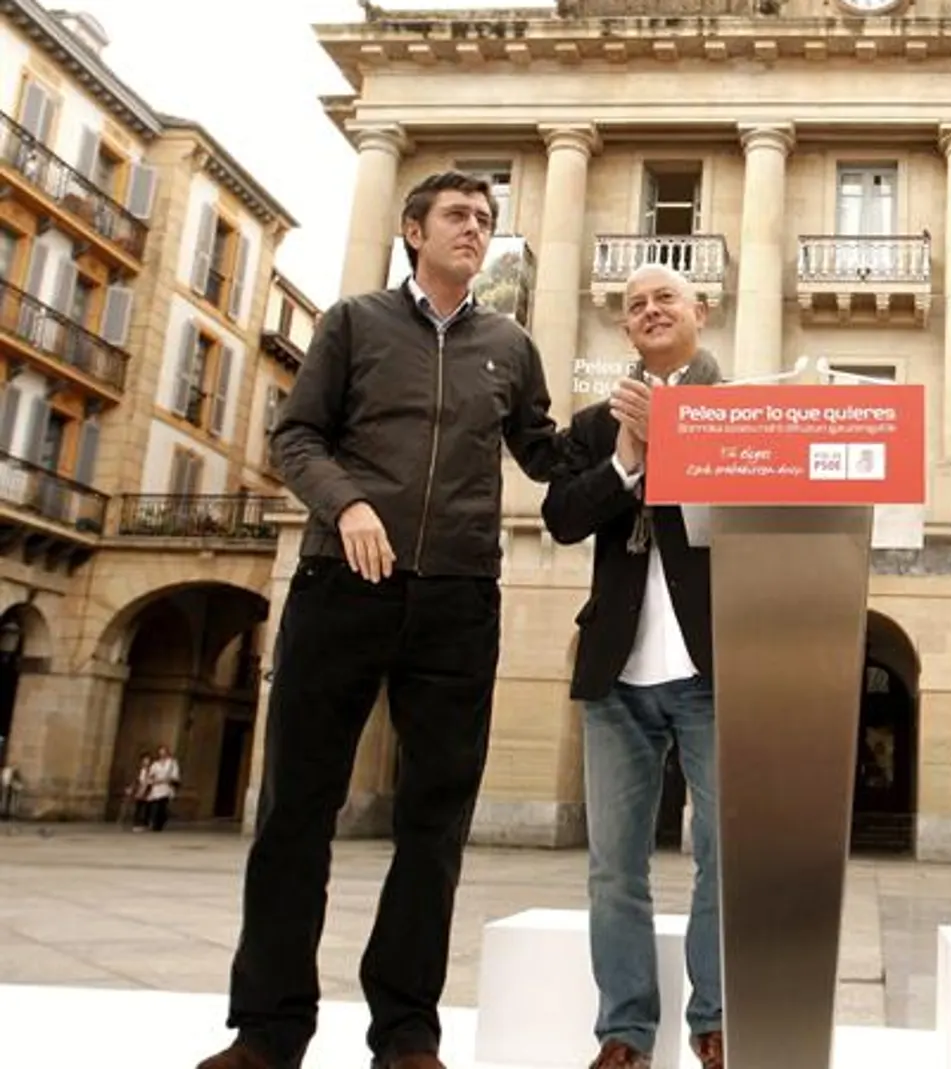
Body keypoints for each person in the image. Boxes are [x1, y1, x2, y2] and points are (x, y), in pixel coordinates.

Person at [197, 171, 580, 1069]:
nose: (474, 228)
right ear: (413, 230)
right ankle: (268, 1033)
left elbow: (544, 452)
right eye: (457, 215)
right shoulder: (353, 323)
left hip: (458, 598)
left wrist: (633, 421)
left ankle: (407, 1033)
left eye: (485, 219)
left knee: (434, 822)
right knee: (296, 809)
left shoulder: (510, 344)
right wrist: (348, 504)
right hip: (341, 583)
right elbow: (295, 437)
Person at [542, 263, 724, 1069]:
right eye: (636, 303)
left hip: (713, 671)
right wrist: (623, 461)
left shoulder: (737, 411)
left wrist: (675, 441)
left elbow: (752, 514)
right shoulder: (594, 424)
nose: (651, 310)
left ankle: (715, 1020)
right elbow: (561, 516)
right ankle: (624, 1031)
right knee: (614, 866)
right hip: (616, 675)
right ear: (625, 327)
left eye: (666, 298)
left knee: (724, 856)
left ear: (700, 312)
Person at [144, 745, 180, 832]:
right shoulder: (155, 764)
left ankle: (160, 823)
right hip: (156, 787)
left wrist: (167, 779)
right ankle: (153, 823)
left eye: (164, 752)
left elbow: (175, 776)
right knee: (154, 806)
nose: (162, 754)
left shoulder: (172, 763)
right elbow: (150, 775)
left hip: (166, 787)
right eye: (161, 752)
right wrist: (152, 780)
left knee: (162, 806)